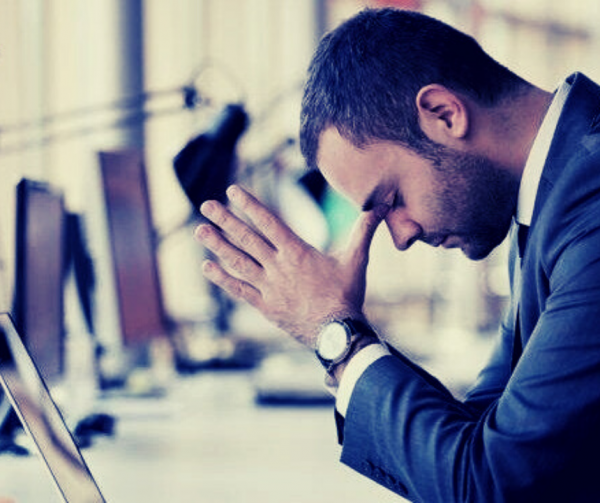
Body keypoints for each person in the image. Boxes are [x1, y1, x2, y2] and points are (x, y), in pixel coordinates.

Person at [194, 7, 600, 502]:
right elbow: (477, 433)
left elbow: (492, 485)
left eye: (392, 201)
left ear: (445, 114)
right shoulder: (552, 192)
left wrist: (335, 333)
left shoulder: (590, 209)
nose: (402, 236)